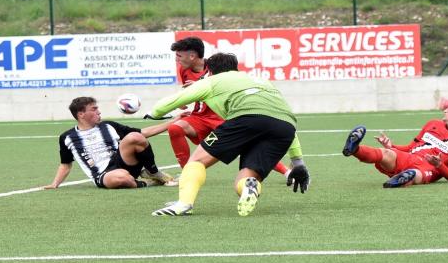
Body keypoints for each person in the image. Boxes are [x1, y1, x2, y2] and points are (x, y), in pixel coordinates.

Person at [149, 52, 310, 216]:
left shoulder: (211, 81)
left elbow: (171, 102)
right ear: (235, 68)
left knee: (197, 160)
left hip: (246, 118)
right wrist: (298, 163)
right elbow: (284, 118)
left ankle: (184, 204)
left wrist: (154, 113)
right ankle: (250, 186)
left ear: (209, 72)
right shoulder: (262, 81)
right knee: (246, 177)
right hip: (285, 127)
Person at [156, 36, 291, 179]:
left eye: (179, 56)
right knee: (175, 128)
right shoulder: (184, 70)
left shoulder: (216, 67)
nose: (176, 60)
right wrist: (184, 98)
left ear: (192, 56)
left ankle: (287, 172)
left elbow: (225, 85)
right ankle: (186, 175)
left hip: (220, 115)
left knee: (249, 145)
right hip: (199, 117)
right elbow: (190, 92)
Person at [342, 97, 448, 188]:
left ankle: (403, 179)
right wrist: (392, 146)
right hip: (410, 157)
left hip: (430, 169)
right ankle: (354, 149)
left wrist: (439, 165)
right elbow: (411, 148)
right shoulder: (433, 124)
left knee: (415, 173)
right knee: (386, 153)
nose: (445, 109)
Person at [44, 97, 172, 190]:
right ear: (81, 114)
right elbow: (65, 165)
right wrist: (55, 183)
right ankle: (148, 183)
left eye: (97, 108)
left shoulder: (108, 125)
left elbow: (143, 132)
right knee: (121, 178)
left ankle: (154, 173)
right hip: (103, 175)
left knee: (135, 137)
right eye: (94, 109)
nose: (98, 112)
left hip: (124, 162)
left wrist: (174, 121)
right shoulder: (67, 137)